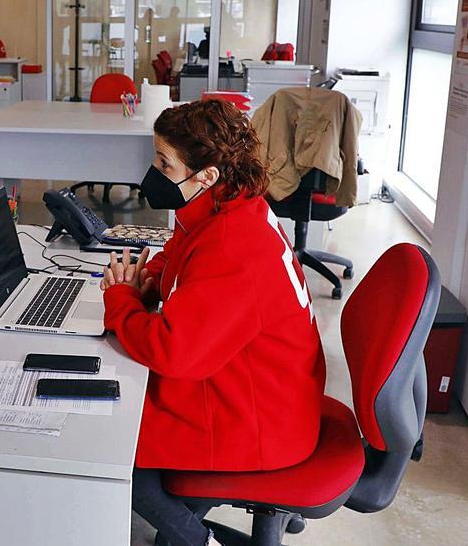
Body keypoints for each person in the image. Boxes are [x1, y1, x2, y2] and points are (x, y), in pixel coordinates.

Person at [101, 99, 325, 546]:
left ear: (206, 176)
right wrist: (151, 279)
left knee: (114, 440)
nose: (154, 173)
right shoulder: (232, 206)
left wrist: (120, 300)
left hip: (258, 418)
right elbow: (186, 255)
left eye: (164, 165)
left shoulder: (234, 246)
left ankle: (194, 538)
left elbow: (172, 351)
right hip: (265, 389)